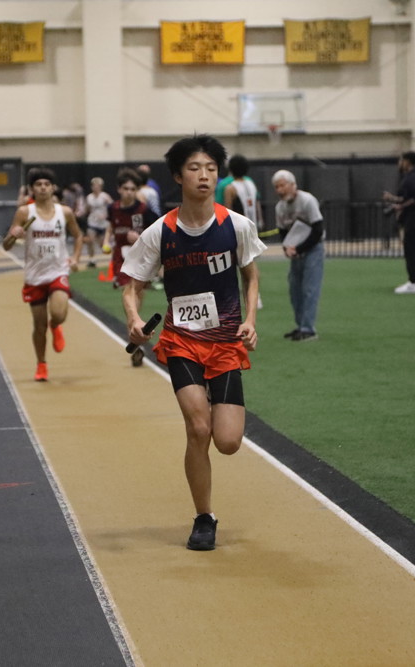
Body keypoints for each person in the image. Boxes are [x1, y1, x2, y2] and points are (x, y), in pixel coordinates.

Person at [121, 133, 265, 551]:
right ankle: (204, 518)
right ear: (178, 176)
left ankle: (215, 403)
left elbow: (251, 277)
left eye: (211, 169)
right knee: (198, 428)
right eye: (194, 168)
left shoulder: (236, 226)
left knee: (228, 442)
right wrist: (134, 320)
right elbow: (132, 286)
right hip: (182, 341)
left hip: (225, 343)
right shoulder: (159, 232)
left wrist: (250, 320)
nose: (204, 175)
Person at [3, 167, 84, 382]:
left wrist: (75, 258)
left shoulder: (64, 212)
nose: (43, 188)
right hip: (35, 275)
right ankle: (41, 364)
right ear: (32, 189)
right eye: (38, 184)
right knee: (39, 326)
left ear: (53, 187)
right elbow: (6, 245)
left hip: (58, 271)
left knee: (58, 314)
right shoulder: (24, 213)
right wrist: (13, 235)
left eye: (47, 184)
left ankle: (55, 325)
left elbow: (78, 235)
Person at [105, 171, 159, 364]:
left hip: (141, 259)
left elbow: (158, 231)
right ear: (119, 189)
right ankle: (135, 333)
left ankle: (134, 330)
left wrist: (140, 237)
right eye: (125, 188)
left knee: (135, 299)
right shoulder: (113, 208)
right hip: (121, 259)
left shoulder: (143, 210)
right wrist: (106, 240)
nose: (129, 192)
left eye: (133, 189)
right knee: (129, 292)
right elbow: (111, 226)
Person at [273, 170, 324, 341]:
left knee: (310, 289)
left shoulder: (307, 200)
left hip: (312, 249)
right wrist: (287, 248)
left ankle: (308, 328)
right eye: (276, 187)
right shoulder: (280, 207)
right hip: (295, 251)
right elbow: (283, 232)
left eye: (282, 185)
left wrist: (299, 248)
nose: (279, 190)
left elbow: (318, 229)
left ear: (293, 185)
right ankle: (301, 325)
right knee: (295, 290)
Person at [383, 151, 415, 294]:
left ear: (407, 162)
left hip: (413, 217)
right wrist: (395, 199)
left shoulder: (411, 178)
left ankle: (413, 282)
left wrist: (399, 205)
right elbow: (411, 198)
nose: (399, 163)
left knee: (410, 249)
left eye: (401, 160)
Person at [84, 177, 113, 268]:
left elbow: (113, 206)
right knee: (90, 240)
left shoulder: (104, 196)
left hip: (103, 223)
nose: (96, 188)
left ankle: (112, 258)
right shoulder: (89, 197)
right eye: (94, 186)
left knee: (102, 244)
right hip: (92, 222)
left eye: (98, 186)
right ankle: (92, 259)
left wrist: (106, 215)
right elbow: (87, 209)